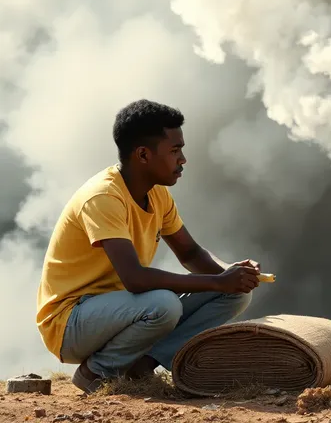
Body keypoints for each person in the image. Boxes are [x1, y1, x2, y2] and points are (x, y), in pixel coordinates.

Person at [36, 99, 261, 394]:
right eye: (175, 150)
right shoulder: (103, 197)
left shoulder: (157, 195)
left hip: (119, 311)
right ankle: (96, 373)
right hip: (70, 323)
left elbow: (191, 254)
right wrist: (218, 280)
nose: (183, 159)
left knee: (236, 296)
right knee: (163, 305)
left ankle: (141, 367)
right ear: (143, 154)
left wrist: (233, 276)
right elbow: (136, 279)